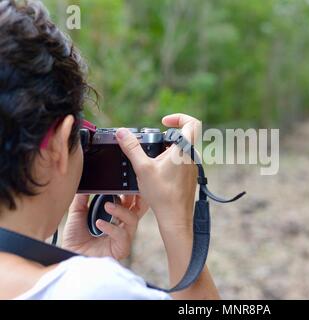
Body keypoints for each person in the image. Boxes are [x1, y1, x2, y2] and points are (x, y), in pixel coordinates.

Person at [0, 0, 219, 300]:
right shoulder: (96, 289)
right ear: (56, 146)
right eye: (83, 136)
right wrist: (177, 220)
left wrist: (72, 262)